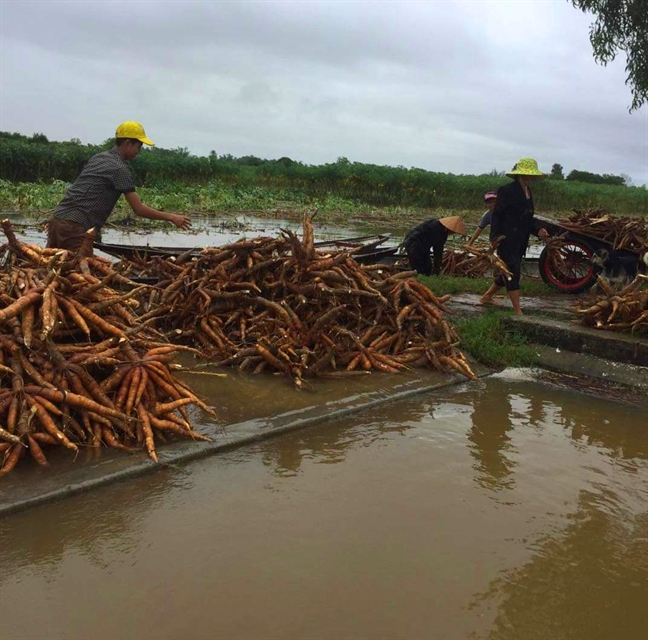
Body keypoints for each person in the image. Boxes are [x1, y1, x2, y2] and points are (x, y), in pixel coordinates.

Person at [46, 121, 191, 253]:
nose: (138, 152)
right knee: (80, 274)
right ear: (128, 143)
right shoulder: (120, 169)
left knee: (53, 271)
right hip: (75, 228)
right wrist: (172, 217)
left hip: (56, 222)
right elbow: (138, 209)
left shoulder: (98, 157)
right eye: (138, 146)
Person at [479, 157, 549, 315]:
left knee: (508, 270)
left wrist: (538, 230)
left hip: (520, 239)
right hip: (506, 238)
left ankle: (487, 296)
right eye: (526, 175)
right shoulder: (506, 190)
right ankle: (518, 312)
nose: (529, 178)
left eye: (531, 175)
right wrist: (495, 237)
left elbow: (527, 218)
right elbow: (496, 215)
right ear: (519, 175)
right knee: (513, 271)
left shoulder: (528, 192)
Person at [403, 216, 467, 276]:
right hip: (413, 243)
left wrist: (437, 268)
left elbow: (438, 250)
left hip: (424, 247)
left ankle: (428, 278)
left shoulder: (444, 234)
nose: (453, 233)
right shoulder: (434, 225)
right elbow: (419, 236)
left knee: (428, 268)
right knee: (419, 268)